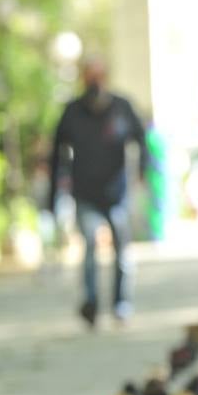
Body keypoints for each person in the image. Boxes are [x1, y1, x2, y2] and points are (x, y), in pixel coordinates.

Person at [48, 58, 150, 329]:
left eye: (99, 76)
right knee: (91, 245)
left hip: (116, 193)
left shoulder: (121, 108)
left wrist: (142, 172)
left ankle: (121, 303)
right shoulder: (72, 112)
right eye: (90, 77)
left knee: (122, 252)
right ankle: (91, 303)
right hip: (85, 193)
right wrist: (53, 194)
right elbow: (56, 153)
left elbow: (140, 140)